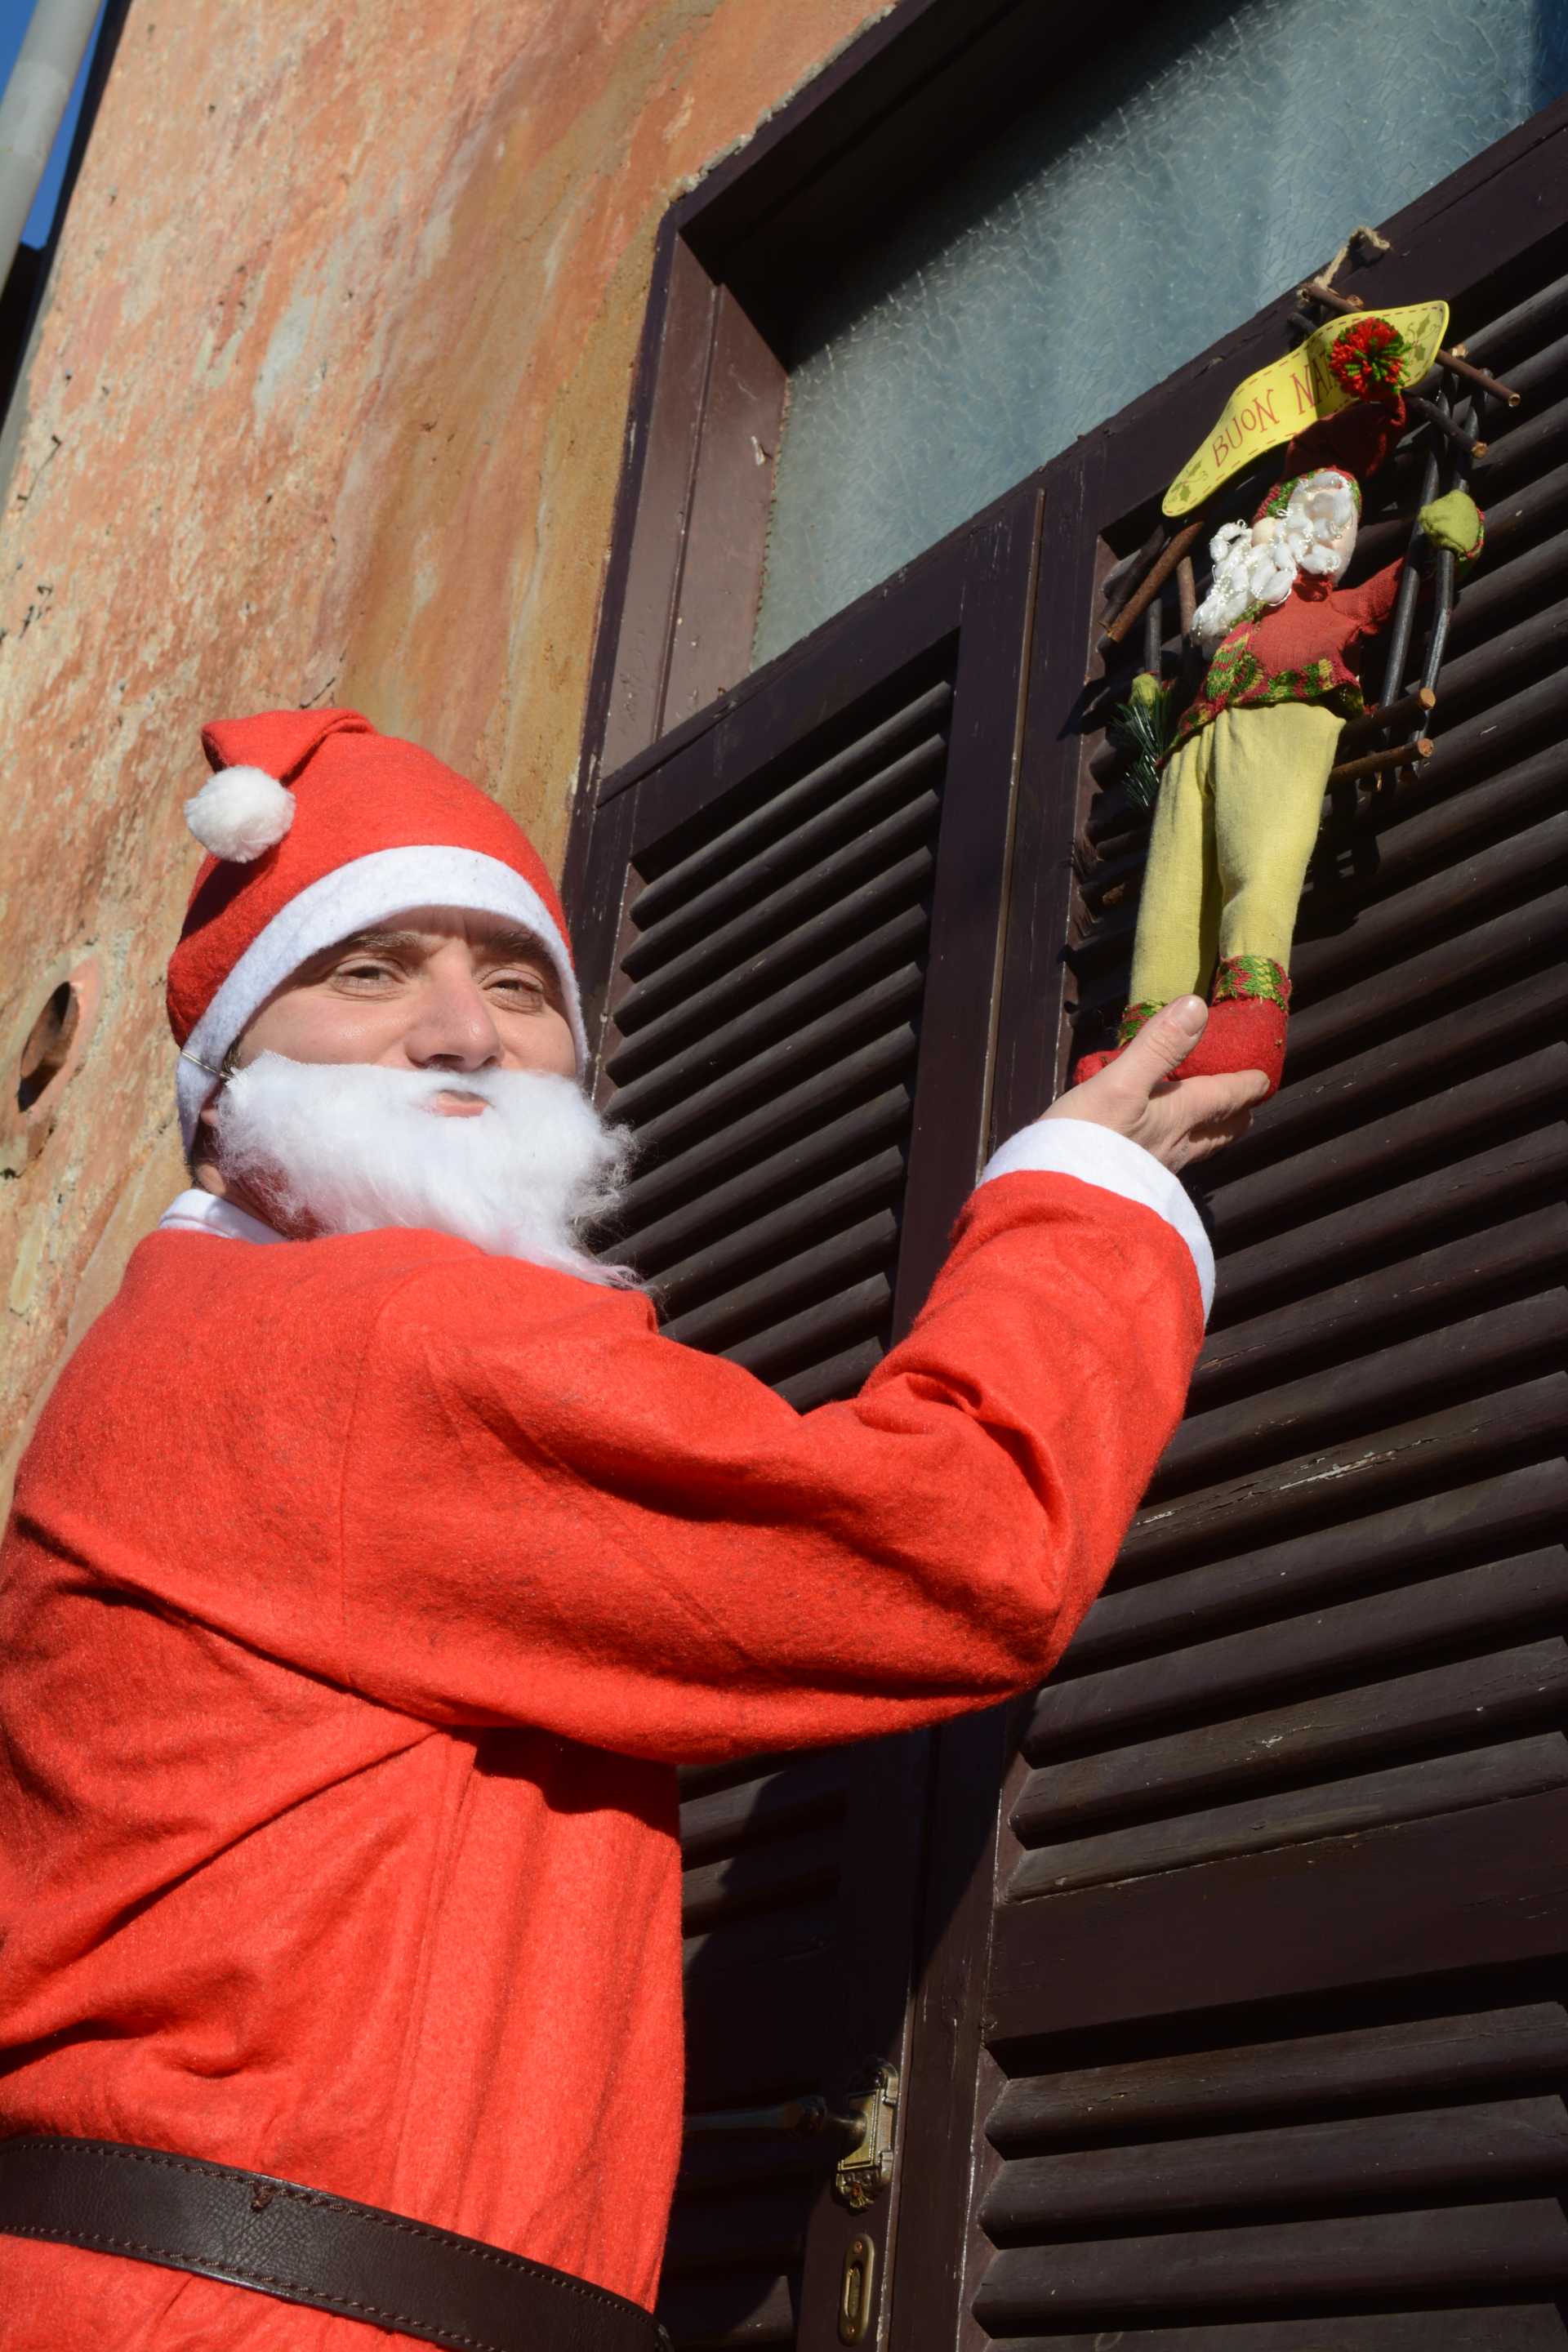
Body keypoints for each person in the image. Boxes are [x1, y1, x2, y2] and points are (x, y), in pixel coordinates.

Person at [0, 706, 1263, 2350]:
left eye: (517, 984)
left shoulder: (188, 1342)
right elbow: (952, 1548)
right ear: (238, 1062)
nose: (465, 1030)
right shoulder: (366, 1334)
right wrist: (1082, 1207)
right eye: (371, 970)